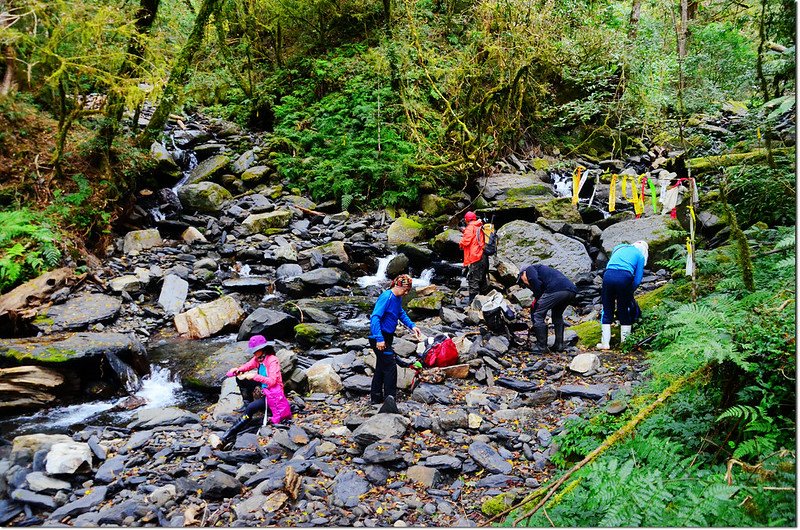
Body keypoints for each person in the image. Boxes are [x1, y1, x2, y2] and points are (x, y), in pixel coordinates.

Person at [221, 335, 292, 444]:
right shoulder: (258, 358)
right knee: (241, 379)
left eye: (255, 351)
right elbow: (248, 366)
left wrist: (254, 376)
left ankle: (227, 435)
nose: (253, 353)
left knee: (251, 408)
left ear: (262, 349)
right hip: (265, 389)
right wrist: (237, 370)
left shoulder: (272, 360)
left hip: (273, 395)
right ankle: (247, 403)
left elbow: (272, 381)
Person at [369, 274, 424, 411]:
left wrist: (412, 326)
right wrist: (379, 339)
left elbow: (400, 313)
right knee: (390, 367)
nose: (406, 293)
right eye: (405, 290)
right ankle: (390, 400)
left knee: (381, 366)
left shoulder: (397, 298)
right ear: (397, 286)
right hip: (379, 336)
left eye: (408, 291)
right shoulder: (387, 297)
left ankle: (376, 397)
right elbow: (375, 317)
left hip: (387, 336)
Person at [596, 240, 649, 350]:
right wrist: (629, 291)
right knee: (624, 309)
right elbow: (638, 280)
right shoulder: (640, 255)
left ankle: (605, 343)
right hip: (625, 277)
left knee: (607, 308)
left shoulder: (619, 247)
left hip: (608, 275)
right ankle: (625, 343)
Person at [518, 264, 578, 353]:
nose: (525, 284)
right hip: (571, 291)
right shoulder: (544, 271)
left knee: (537, 314)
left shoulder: (529, 269)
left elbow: (535, 282)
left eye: (522, 281)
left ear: (523, 273)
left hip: (556, 290)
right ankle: (559, 345)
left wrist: (537, 298)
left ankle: (541, 347)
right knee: (557, 315)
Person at [458, 211, 489, 304]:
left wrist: (460, 243)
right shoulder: (480, 225)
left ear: (466, 220)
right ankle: (485, 300)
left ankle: (473, 303)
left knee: (473, 280)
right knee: (483, 279)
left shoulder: (470, 228)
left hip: (475, 257)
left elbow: (465, 242)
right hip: (484, 256)